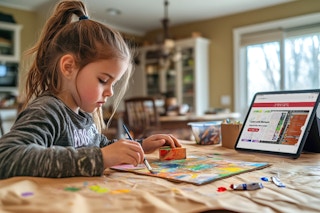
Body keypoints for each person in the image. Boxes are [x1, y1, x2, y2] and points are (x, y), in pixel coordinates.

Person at [0, 0, 181, 179]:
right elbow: (6, 157)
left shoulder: (83, 116)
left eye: (114, 83)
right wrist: (101, 158)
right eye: (103, 80)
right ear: (69, 67)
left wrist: (140, 146)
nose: (110, 92)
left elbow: (102, 147)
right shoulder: (47, 111)